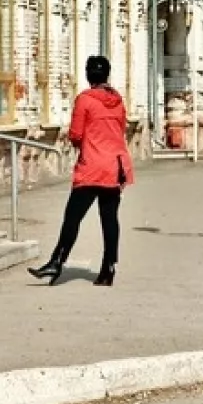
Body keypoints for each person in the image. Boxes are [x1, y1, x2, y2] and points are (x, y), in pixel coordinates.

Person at [29, 55, 134, 287]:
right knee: (109, 219)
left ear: (88, 76)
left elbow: (76, 134)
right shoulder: (117, 101)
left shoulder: (85, 100)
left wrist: (85, 143)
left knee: (73, 217)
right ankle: (108, 269)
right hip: (116, 166)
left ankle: (57, 261)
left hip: (92, 166)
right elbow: (121, 129)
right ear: (107, 74)